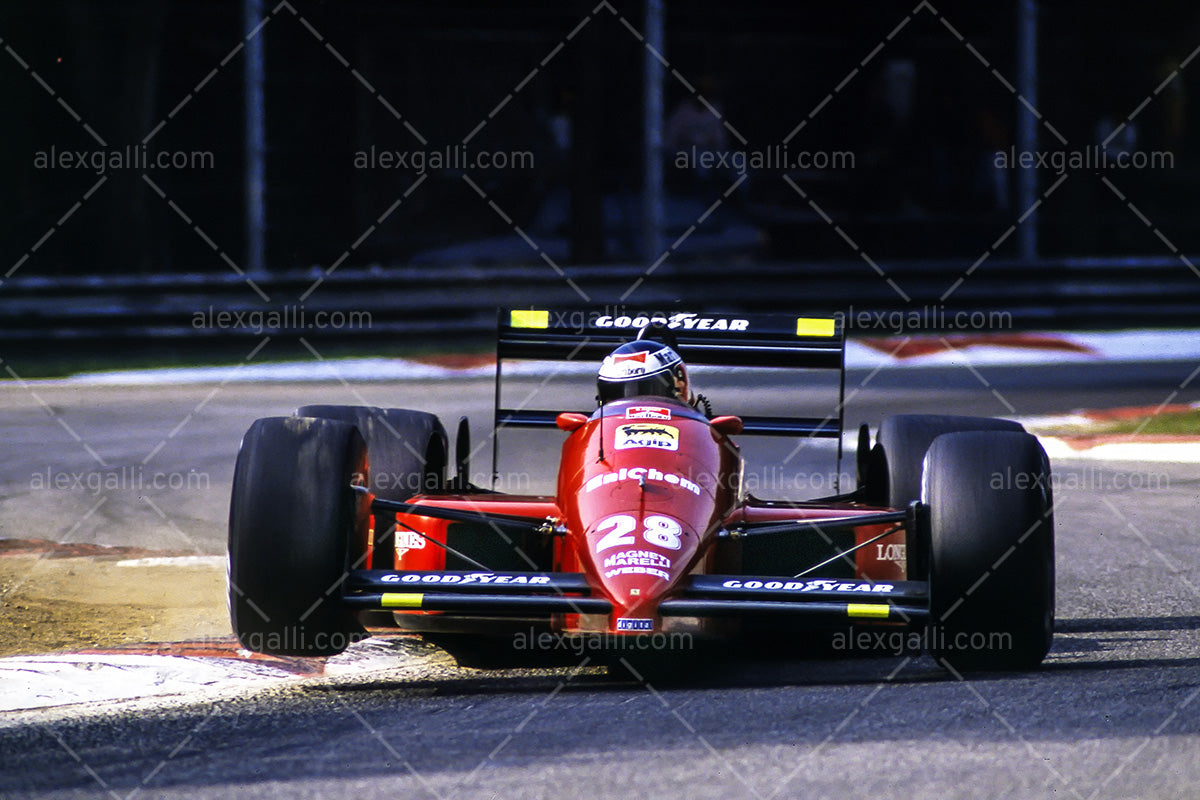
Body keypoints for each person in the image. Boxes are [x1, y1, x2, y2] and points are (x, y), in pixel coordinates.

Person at [596, 340, 691, 406]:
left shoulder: (702, 431)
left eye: (645, 390)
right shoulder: (596, 429)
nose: (635, 408)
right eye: (614, 395)